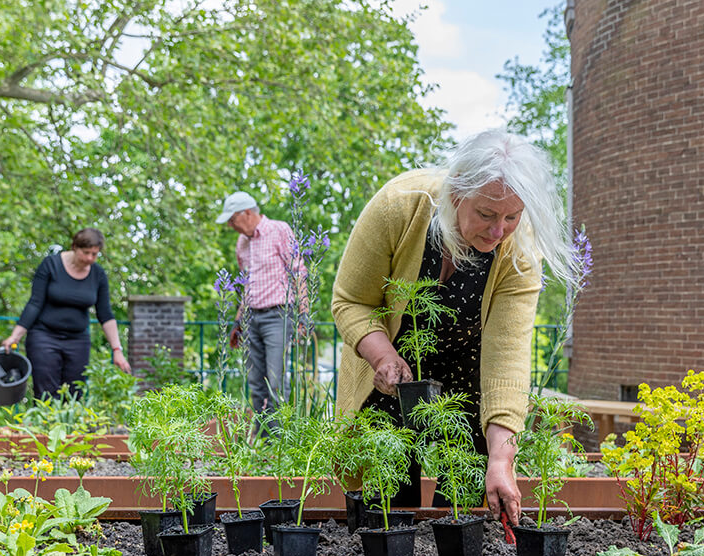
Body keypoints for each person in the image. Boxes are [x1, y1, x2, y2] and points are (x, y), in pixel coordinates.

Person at [331, 130, 577, 524]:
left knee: (463, 513)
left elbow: (508, 354)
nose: (499, 231)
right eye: (486, 214)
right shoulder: (400, 206)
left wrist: (502, 456)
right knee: (388, 510)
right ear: (457, 195)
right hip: (391, 373)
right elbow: (351, 300)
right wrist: (382, 356)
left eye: (512, 216)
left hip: (468, 381)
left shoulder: (520, 252)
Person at [2, 227, 131, 399]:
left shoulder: (98, 274)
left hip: (78, 341)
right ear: (74, 247)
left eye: (95, 254)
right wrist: (15, 336)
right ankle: (46, 425)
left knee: (74, 394)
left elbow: (105, 314)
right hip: (44, 337)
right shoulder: (51, 265)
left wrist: (117, 349)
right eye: (86, 253)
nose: (90, 258)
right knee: (46, 395)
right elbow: (34, 303)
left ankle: (71, 427)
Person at [217, 191, 306, 434]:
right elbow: (246, 286)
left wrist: (304, 313)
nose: (230, 225)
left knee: (275, 382)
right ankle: (264, 442)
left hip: (278, 316)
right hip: (251, 319)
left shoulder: (279, 230)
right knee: (256, 384)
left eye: (232, 219)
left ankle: (280, 442)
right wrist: (238, 322)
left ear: (247, 213)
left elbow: (298, 271)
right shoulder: (242, 243)